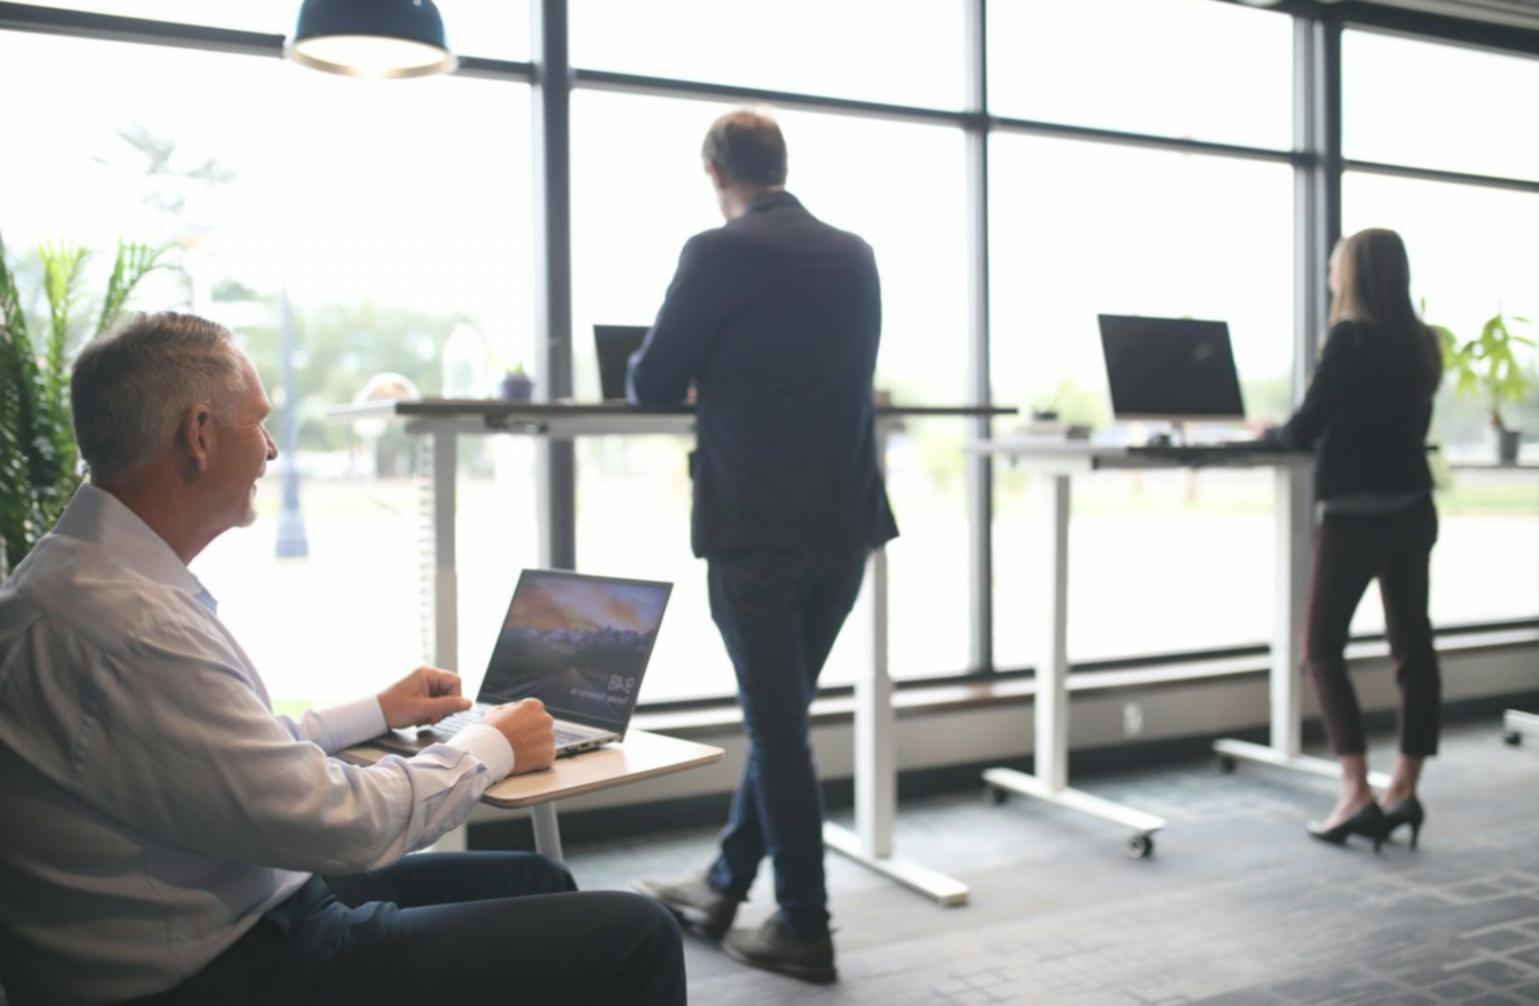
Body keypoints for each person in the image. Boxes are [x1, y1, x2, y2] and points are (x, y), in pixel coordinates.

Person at [0, 312, 685, 1006]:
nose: (270, 450)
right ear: (199, 435)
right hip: (234, 967)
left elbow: (229, 761)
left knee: (536, 880)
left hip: (227, 902)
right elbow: (345, 824)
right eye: (258, 422)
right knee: (640, 932)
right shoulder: (134, 630)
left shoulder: (73, 579)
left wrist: (379, 713)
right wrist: (491, 744)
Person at [627, 108, 898, 985]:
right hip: (847, 522)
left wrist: (715, 364)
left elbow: (653, 382)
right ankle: (721, 885)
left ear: (716, 174)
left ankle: (805, 927)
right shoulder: (854, 253)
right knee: (780, 719)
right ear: (779, 164)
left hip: (757, 529)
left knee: (778, 730)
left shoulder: (716, 253)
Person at [1263, 228, 1444, 851]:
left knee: (1321, 649)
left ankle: (1353, 793)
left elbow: (1306, 426)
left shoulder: (1348, 339)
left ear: (1356, 275)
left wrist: (1265, 432)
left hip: (1356, 516)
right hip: (1413, 511)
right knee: (1412, 649)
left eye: (1337, 267)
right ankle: (1403, 788)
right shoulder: (1422, 344)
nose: (1332, 277)